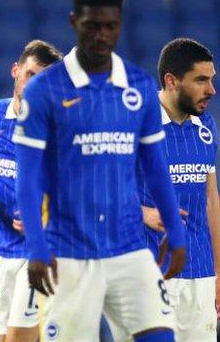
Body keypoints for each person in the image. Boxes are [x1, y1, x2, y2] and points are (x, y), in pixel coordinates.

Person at [12, 0, 187, 341]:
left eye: (110, 26)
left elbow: (156, 168)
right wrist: (36, 246)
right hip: (70, 254)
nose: (101, 35)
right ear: (75, 22)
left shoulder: (137, 87)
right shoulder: (44, 90)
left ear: (120, 25)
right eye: (92, 25)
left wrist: (176, 232)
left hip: (129, 250)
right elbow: (28, 179)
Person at [109, 38, 219, 342]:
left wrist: (219, 272)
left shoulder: (206, 127)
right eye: (201, 80)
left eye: (211, 80)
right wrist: (142, 212)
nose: (211, 90)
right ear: (171, 81)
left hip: (200, 274)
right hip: (144, 273)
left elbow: (211, 201)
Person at [0, 40, 61, 342]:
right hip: (3, 251)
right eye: (30, 74)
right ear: (15, 70)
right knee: (4, 337)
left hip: (41, 249)